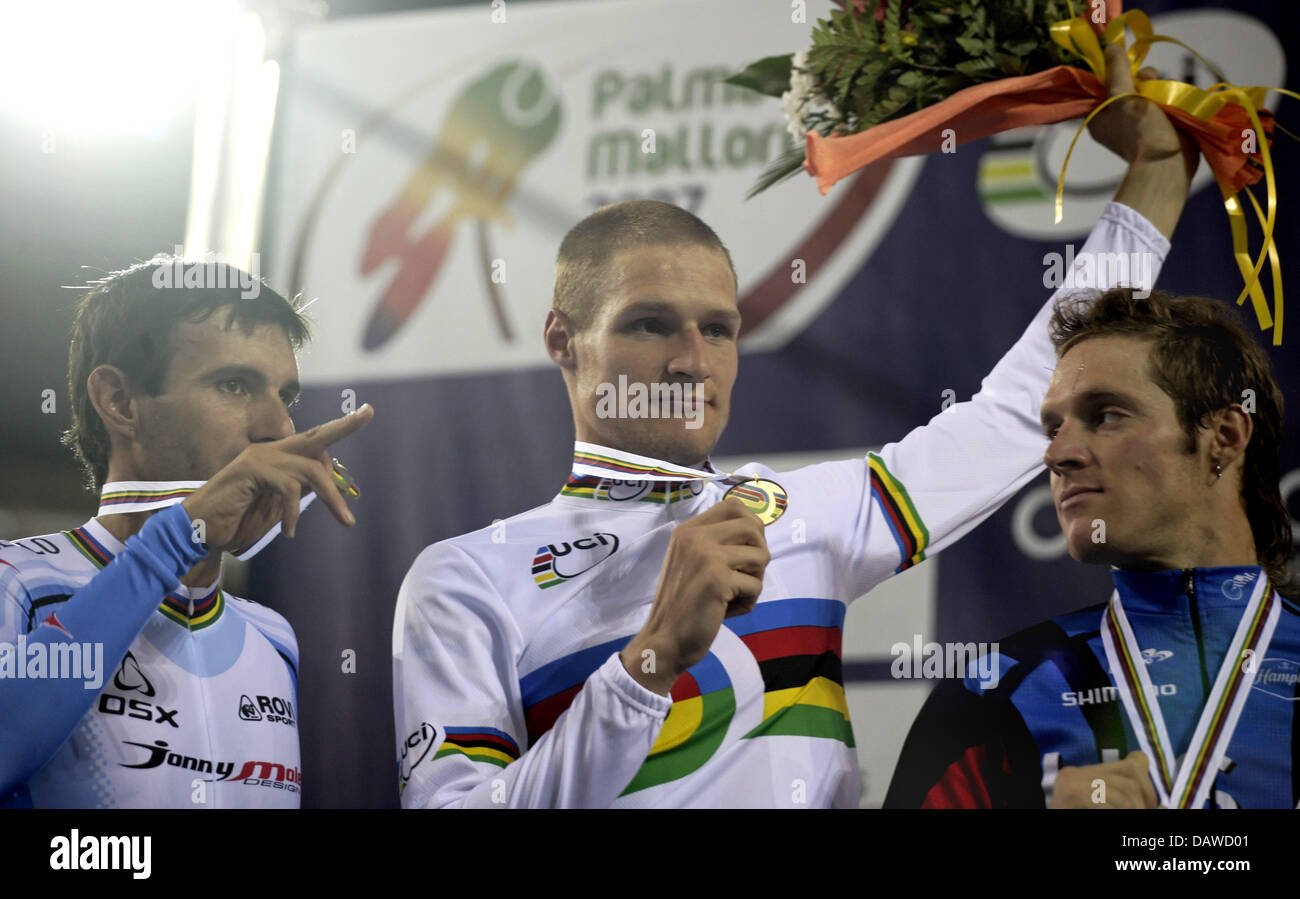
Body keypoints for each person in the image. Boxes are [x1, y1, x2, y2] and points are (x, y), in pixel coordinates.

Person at [392, 44, 1195, 807]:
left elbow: (1016, 412)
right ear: (563, 340)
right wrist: (651, 657)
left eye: (718, 328)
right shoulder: (466, 579)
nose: (691, 362)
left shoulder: (807, 513)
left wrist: (1155, 187)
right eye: (649, 324)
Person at [884, 287, 1297, 809]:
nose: (1057, 454)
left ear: (1226, 435)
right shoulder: (997, 691)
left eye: (1106, 415)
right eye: (1053, 427)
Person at [0, 257, 373, 808]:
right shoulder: (19, 580)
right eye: (234, 384)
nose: (278, 428)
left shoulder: (273, 638)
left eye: (285, 396)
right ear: (120, 402)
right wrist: (175, 541)